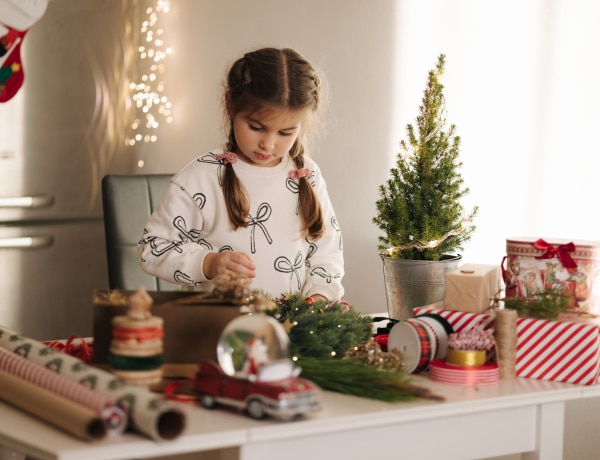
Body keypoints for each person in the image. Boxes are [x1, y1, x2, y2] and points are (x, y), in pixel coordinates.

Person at [137, 47, 344, 302]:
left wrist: (320, 297)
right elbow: (152, 249)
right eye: (256, 127)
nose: (267, 144)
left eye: (285, 133)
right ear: (230, 104)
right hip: (219, 331)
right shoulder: (200, 178)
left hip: (292, 332)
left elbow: (327, 254)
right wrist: (208, 263)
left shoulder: (307, 176)